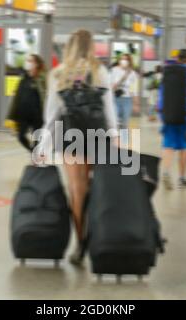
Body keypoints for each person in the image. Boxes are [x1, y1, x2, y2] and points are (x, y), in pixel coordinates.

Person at [36, 29, 118, 266]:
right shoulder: (100, 71)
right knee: (97, 187)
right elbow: (109, 108)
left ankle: (80, 243)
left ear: (69, 47)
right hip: (97, 133)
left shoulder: (59, 74)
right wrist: (115, 136)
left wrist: (42, 147)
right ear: (91, 47)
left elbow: (51, 116)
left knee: (76, 190)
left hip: (69, 133)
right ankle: (99, 238)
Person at [159, 49, 186, 189]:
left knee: (168, 145)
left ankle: (165, 172)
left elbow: (161, 95)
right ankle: (182, 179)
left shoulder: (167, 73)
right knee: (185, 147)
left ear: (178, 59)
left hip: (169, 114)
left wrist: (162, 114)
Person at [7, 54, 46, 152]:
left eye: (30, 61)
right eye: (27, 61)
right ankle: (33, 152)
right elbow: (16, 98)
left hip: (38, 116)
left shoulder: (42, 79)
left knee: (37, 139)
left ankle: (36, 157)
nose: (28, 63)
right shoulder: (23, 78)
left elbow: (46, 96)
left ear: (37, 64)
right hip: (23, 115)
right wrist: (11, 117)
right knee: (20, 136)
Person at [111, 54, 140, 145]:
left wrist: (136, 104)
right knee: (114, 122)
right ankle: (114, 144)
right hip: (115, 99)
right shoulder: (114, 70)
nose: (124, 61)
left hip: (127, 100)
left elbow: (134, 90)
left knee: (125, 123)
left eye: (126, 59)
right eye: (122, 59)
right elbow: (110, 87)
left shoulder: (133, 73)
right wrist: (122, 78)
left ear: (129, 61)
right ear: (119, 60)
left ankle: (124, 144)